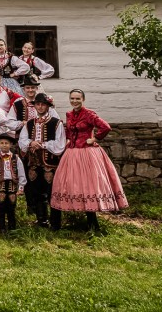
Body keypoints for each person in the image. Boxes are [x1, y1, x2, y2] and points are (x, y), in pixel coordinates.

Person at [50, 89, 128, 231]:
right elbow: (69, 131)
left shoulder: (89, 114)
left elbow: (105, 127)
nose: (74, 101)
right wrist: (68, 140)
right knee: (68, 184)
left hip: (87, 153)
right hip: (72, 153)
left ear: (83, 99)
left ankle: (92, 223)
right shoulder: (69, 114)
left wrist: (95, 139)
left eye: (77, 98)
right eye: (72, 98)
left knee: (88, 185)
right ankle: (62, 222)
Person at [19, 92, 66, 229]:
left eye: (43, 104)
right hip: (34, 164)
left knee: (53, 193)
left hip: (50, 164)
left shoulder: (56, 123)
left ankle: (55, 223)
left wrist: (43, 145)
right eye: (38, 104)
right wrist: (31, 143)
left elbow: (60, 145)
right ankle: (42, 221)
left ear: (48, 106)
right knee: (37, 193)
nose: (40, 107)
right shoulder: (29, 123)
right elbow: (22, 141)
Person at [0, 132, 27, 235]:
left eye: (6, 143)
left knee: (11, 206)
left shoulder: (15, 157)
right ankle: (1, 228)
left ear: (10, 144)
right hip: (1, 184)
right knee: (1, 207)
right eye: (2, 143)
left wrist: (21, 187)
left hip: (12, 185)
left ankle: (12, 227)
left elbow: (21, 172)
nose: (4, 145)